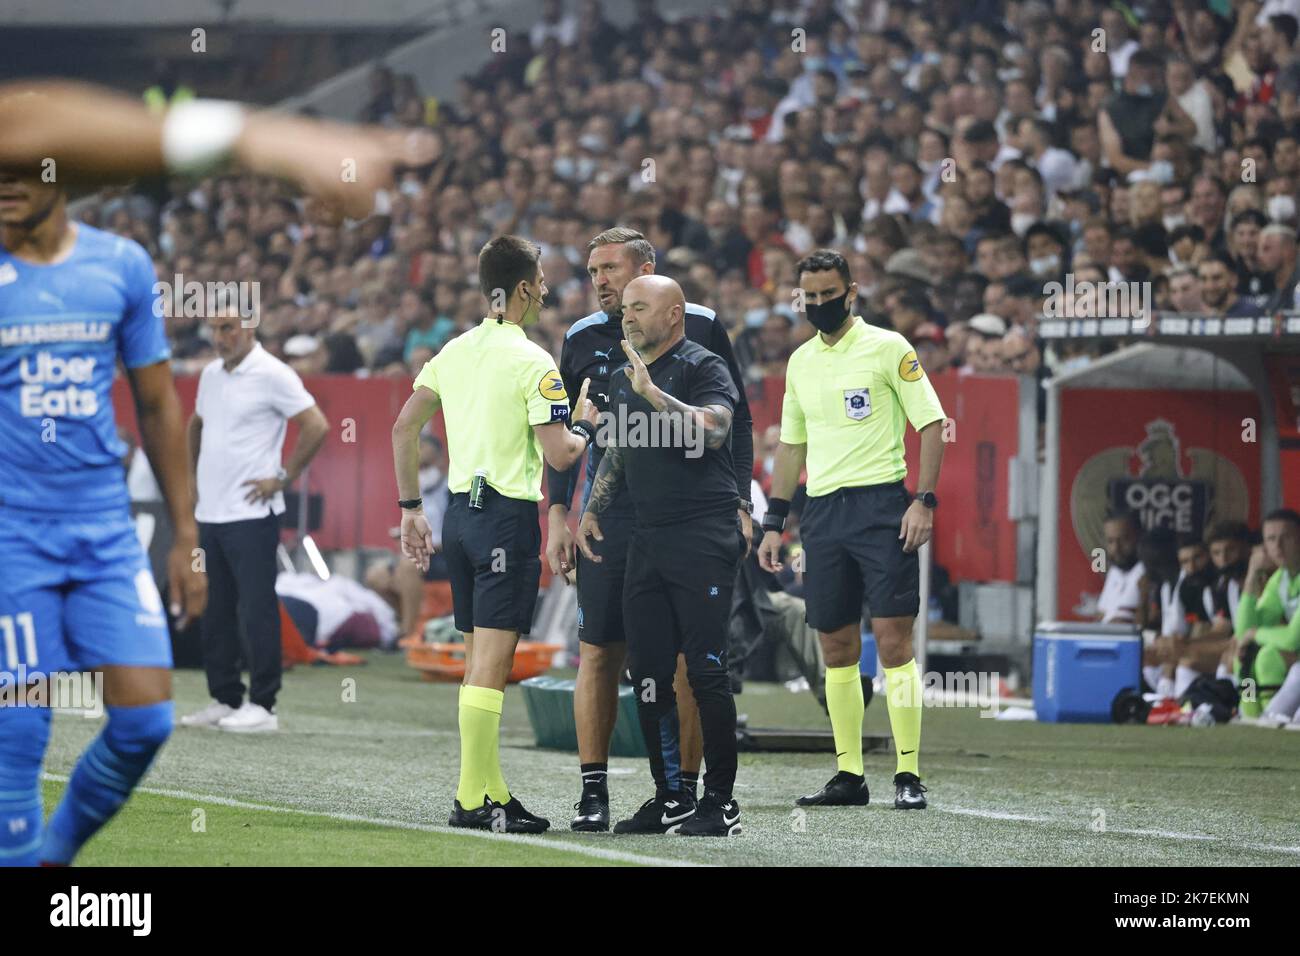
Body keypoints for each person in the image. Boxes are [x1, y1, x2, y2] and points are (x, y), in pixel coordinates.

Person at [0, 147, 205, 866]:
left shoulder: (122, 265)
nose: (6, 184)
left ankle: (51, 860)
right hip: (10, 538)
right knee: (16, 736)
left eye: (20, 168)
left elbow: (156, 403)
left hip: (105, 535)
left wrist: (186, 535)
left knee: (146, 719)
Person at [545, 226, 753, 833]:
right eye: (597, 275)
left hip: (699, 524)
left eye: (619, 277)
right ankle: (648, 795)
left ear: (665, 301)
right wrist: (575, 510)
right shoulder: (594, 350)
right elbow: (609, 447)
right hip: (631, 530)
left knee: (703, 668)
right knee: (630, 662)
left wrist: (744, 501)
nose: (607, 289)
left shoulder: (702, 348)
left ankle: (712, 797)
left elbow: (725, 426)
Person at [390, 235, 596, 833]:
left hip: (457, 518)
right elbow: (560, 456)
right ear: (527, 290)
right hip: (506, 520)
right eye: (543, 282)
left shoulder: (452, 351)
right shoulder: (535, 361)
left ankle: (490, 791)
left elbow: (405, 428)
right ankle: (470, 800)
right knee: (491, 666)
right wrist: (583, 423)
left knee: (479, 659)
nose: (547, 293)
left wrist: (409, 509)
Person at [757, 249, 947, 811]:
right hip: (822, 514)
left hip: (883, 508)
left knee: (893, 640)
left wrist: (924, 501)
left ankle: (908, 774)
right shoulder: (799, 362)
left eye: (827, 293)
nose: (819, 304)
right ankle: (849, 775)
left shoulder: (890, 347)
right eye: (809, 296)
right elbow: (792, 445)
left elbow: (932, 424)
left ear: (851, 290)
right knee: (834, 645)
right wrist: (775, 520)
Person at [180, 306, 329, 733]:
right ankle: (224, 697)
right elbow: (196, 424)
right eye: (213, 328)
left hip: (252, 513)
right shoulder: (211, 376)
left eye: (226, 328)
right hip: (213, 511)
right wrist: (192, 480)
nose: (218, 336)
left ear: (248, 328)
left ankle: (264, 706)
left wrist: (281, 478)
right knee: (216, 608)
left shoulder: (273, 373)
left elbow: (316, 425)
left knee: (256, 608)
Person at [1235, 509, 1300, 718]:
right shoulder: (1281, 579)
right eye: (1271, 539)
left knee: (1269, 656)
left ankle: (1268, 718)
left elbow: (1292, 638)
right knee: (1245, 657)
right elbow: (1243, 633)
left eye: (1286, 537)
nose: (1278, 546)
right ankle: (1251, 712)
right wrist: (1252, 576)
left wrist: (1254, 634)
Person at [1096, 510, 1146, 625]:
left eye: (1123, 539)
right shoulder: (1114, 571)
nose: (1116, 548)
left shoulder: (1148, 572)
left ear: (1139, 536)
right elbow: (1100, 614)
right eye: (1110, 541)